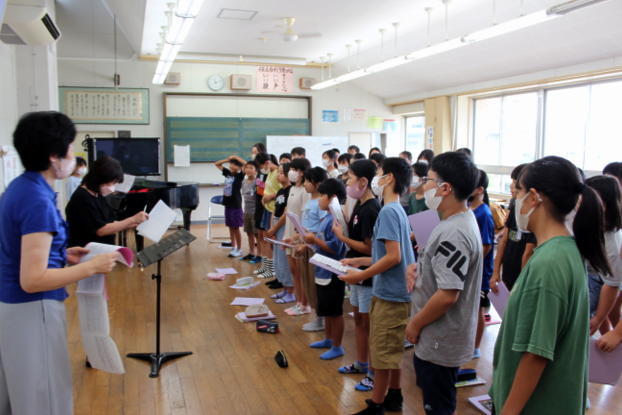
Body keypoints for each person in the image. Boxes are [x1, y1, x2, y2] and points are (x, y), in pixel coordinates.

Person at [0, 111, 119, 414]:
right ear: (54, 155)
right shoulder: (37, 200)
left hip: (14, 308)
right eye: (69, 148)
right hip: (32, 308)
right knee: (46, 400)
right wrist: (91, 267)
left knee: (21, 395)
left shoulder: (22, 187)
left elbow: (18, 248)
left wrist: (62, 254)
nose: (73, 156)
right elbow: (33, 279)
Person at [490, 156, 611, 414]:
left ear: (534, 197)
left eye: (518, 191)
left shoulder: (549, 264)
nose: (515, 198)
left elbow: (536, 354)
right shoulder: (562, 250)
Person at [405, 151, 482, 415]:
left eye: (429, 180)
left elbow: (448, 295)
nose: (423, 186)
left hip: (440, 337)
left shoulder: (454, 231)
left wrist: (414, 324)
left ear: (445, 188)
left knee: (438, 406)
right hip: (437, 334)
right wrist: (419, 268)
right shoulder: (449, 221)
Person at [341, 157, 415, 415]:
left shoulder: (387, 212)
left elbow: (393, 257)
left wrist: (360, 275)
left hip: (391, 294)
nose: (377, 178)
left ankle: (377, 404)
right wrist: (359, 261)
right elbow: (388, 254)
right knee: (392, 350)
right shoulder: (396, 210)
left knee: (382, 354)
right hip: (396, 292)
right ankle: (394, 395)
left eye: (380, 173)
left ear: (390, 177)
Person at [333, 160, 381, 392]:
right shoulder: (360, 205)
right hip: (355, 271)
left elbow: (371, 249)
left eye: (350, 178)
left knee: (369, 324)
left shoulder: (371, 209)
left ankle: (373, 371)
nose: (347, 183)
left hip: (367, 274)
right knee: (360, 321)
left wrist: (342, 238)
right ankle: (362, 362)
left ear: (363, 181)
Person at [304, 178, 347, 360]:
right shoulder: (326, 218)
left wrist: (314, 240)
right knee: (327, 310)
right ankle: (329, 339)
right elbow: (322, 244)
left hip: (333, 271)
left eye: (322, 195)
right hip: (323, 269)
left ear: (332, 198)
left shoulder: (336, 220)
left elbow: (335, 247)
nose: (319, 199)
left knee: (335, 312)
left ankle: (337, 346)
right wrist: (309, 242)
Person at [66, 156, 148, 248]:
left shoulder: (97, 194)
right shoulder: (82, 198)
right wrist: (132, 219)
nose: (113, 188)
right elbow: (101, 230)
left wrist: (132, 223)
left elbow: (110, 222)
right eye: (112, 183)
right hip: (87, 250)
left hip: (102, 248)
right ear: (100, 179)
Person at [287, 167, 328, 319]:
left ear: (317, 183)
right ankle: (313, 312)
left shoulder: (321, 203)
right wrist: (297, 237)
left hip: (314, 249)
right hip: (305, 246)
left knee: (313, 284)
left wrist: (306, 242)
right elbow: (307, 226)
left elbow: (323, 229)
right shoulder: (311, 200)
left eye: (307, 181)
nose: (304, 184)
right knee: (306, 281)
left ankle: (319, 317)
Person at [490, 164, 536, 292]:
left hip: (522, 279)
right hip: (508, 273)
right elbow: (504, 240)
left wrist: (521, 285)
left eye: (516, 183)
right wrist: (496, 271)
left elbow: (528, 253)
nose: (511, 186)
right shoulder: (516, 207)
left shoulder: (534, 216)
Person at [585, 175, 622, 335]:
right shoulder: (591, 223)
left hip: (597, 280)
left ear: (603, 205)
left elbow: (611, 285)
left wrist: (599, 318)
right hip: (588, 274)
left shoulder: (612, 241)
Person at [470, 169, 495, 360]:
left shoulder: (484, 213)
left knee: (478, 308)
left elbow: (486, 246)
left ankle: (475, 347)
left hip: (480, 271)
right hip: (469, 269)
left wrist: (471, 263)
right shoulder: (470, 209)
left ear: (480, 189)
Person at [281, 158, 311, 315]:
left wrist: (297, 237)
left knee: (301, 273)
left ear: (302, 172)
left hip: (298, 237)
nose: (291, 172)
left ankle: (305, 304)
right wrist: (286, 236)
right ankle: (298, 302)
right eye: (291, 169)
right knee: (294, 272)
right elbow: (288, 213)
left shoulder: (305, 191)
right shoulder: (293, 188)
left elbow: (304, 217)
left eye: (294, 169)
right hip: (289, 234)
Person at [266, 163, 295, 302]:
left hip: (283, 226)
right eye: (279, 172)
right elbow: (275, 210)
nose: (278, 175)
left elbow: (285, 214)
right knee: (278, 260)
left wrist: (275, 228)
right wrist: (271, 226)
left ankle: (291, 292)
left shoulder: (291, 190)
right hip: (276, 224)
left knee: (284, 260)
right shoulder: (280, 191)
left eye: (282, 173)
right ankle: (284, 289)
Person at [215, 156, 246, 257]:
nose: (231, 166)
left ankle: (239, 249)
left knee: (235, 228)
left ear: (239, 167)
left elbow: (246, 164)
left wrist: (236, 157)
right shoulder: (228, 173)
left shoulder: (240, 175)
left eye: (234, 164)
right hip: (227, 203)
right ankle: (233, 246)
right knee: (230, 227)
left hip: (235, 204)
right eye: (231, 164)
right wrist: (227, 160)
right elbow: (217, 164)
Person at [252, 153, 274, 277]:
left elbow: (271, 192)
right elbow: (259, 190)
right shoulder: (261, 174)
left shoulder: (272, 174)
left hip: (267, 208)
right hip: (259, 207)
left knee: (267, 239)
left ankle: (270, 269)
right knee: (261, 237)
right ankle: (264, 266)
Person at [241, 160, 259, 262]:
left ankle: (259, 254)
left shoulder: (258, 181)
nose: (248, 170)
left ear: (256, 170)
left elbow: (262, 195)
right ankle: (251, 253)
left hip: (255, 211)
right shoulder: (243, 181)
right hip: (246, 210)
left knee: (257, 234)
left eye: (251, 168)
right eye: (247, 167)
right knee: (249, 233)